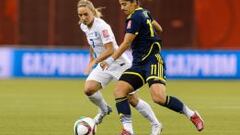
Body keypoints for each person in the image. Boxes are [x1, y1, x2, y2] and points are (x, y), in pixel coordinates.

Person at [100, 0, 205, 134]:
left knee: (158, 98)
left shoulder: (134, 17)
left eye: (124, 4)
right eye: (120, 4)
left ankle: (191, 114)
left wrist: (109, 60)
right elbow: (160, 29)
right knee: (120, 90)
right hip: (139, 63)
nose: (122, 8)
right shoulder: (145, 12)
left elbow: (126, 43)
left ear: (134, 3)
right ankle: (128, 130)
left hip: (152, 60)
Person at [77, 0, 162, 134]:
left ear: (92, 12)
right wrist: (92, 58)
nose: (83, 18)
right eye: (80, 15)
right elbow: (91, 43)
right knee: (88, 89)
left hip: (118, 63)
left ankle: (156, 123)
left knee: (132, 100)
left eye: (85, 14)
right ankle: (104, 109)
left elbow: (110, 50)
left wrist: (93, 62)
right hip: (104, 64)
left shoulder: (102, 27)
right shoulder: (83, 25)